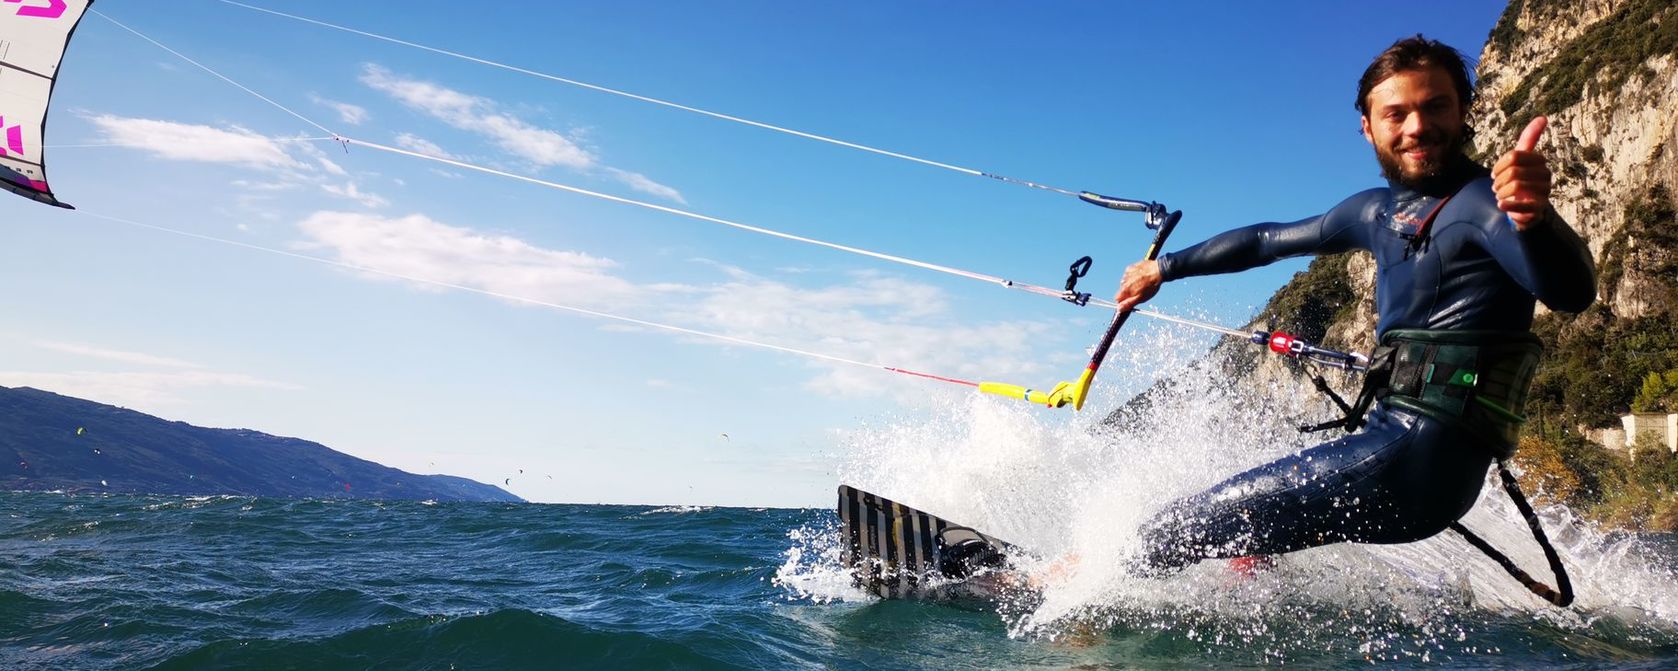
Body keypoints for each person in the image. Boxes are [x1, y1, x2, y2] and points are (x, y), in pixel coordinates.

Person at [1111, 35, 1596, 573]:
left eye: (1435, 106)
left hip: (1415, 458)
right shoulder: (1375, 212)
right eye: (1397, 113)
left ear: (1464, 112)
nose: (1416, 127)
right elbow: (1268, 240)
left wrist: (1534, 220)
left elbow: (1571, 293)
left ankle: (1066, 594)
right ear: (1369, 126)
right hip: (1400, 453)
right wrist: (1165, 267)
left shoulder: (1484, 204)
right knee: (1245, 543)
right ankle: (1247, 602)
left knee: (1172, 530)